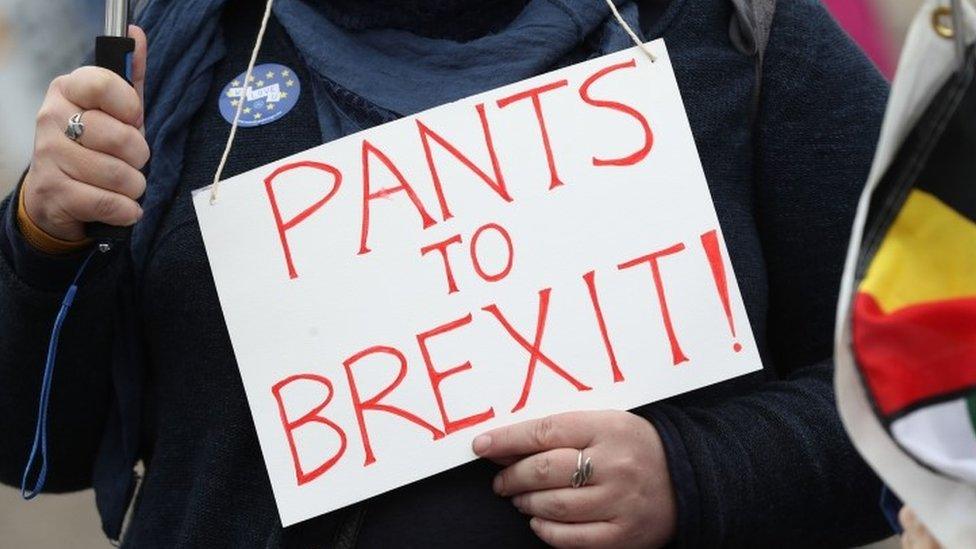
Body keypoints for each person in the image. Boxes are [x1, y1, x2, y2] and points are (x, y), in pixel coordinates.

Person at [0, 0, 892, 546]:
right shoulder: (185, 48)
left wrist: (696, 475)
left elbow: (930, 384)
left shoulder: (732, 30)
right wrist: (42, 235)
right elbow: (33, 445)